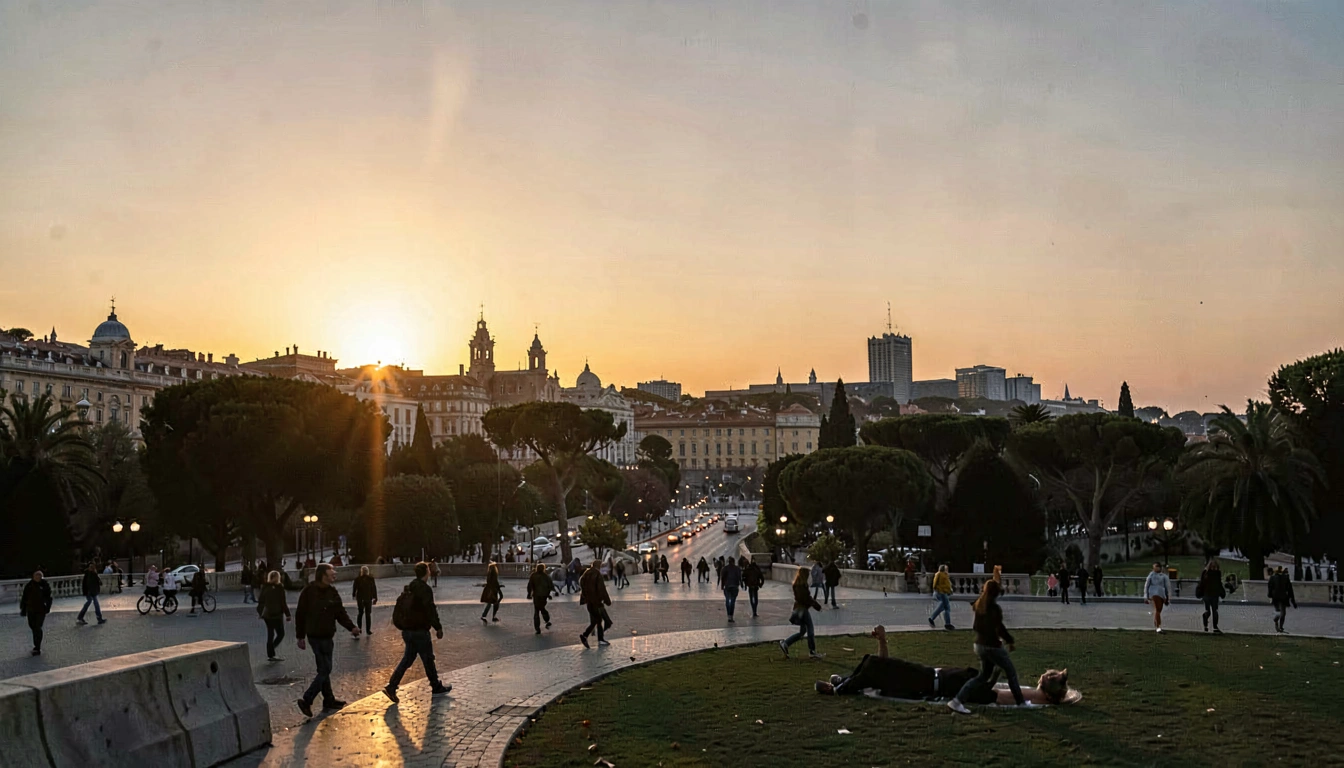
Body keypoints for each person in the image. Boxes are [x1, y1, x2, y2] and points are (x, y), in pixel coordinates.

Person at [946, 579, 1029, 713]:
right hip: (992, 646)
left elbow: (976, 626)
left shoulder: (979, 605)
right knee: (1011, 673)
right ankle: (1021, 703)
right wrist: (1009, 641)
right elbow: (999, 628)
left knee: (983, 676)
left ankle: (957, 701)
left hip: (979, 645)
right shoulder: (994, 608)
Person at [294, 563, 360, 717]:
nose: (335, 574)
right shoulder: (309, 591)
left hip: (327, 636)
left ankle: (329, 700)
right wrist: (300, 636)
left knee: (323, 670)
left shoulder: (332, 592)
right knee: (325, 669)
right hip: (314, 636)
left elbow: (340, 613)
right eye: (332, 571)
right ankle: (307, 700)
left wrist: (352, 627)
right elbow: (300, 614)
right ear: (323, 574)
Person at [383, 562, 452, 703]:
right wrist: (438, 627)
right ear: (427, 572)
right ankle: (436, 686)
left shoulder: (409, 587)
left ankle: (392, 686)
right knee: (428, 659)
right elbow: (430, 610)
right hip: (420, 630)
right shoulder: (425, 590)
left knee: (407, 659)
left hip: (407, 630)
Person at [780, 564, 824, 659]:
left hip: (799, 608)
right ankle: (812, 651)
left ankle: (786, 643)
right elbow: (806, 598)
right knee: (810, 629)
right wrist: (817, 606)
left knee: (802, 632)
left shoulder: (797, 585)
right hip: (802, 609)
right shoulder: (801, 586)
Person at [257, 570, 290, 661]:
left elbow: (260, 601)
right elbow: (283, 602)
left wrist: (260, 613)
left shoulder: (265, 587)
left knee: (270, 634)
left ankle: (270, 653)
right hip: (277, 614)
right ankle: (272, 650)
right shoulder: (280, 588)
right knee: (280, 634)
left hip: (267, 614)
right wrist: (288, 614)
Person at [578, 560, 611, 648]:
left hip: (589, 601)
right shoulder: (597, 574)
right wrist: (607, 600)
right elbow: (601, 589)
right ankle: (589, 636)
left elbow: (582, 585)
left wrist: (585, 597)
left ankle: (595, 638)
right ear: (599, 566)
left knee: (595, 620)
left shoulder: (586, 573)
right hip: (596, 601)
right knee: (598, 620)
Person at [20, 571, 53, 656]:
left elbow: (49, 597)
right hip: (31, 609)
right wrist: (23, 609)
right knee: (32, 626)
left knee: (38, 627)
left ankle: (37, 647)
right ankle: (36, 644)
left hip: (41, 609)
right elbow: (24, 597)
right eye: (36, 576)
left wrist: (48, 607)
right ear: (33, 577)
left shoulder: (45, 585)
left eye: (39, 576)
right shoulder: (29, 585)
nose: (37, 578)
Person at [1197, 559, 1226, 634]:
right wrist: (1222, 593)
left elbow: (1202, 584)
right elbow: (1219, 584)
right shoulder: (1217, 573)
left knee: (1208, 611)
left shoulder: (1205, 573)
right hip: (1214, 595)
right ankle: (1215, 627)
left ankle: (1206, 623)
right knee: (1215, 611)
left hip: (1207, 595)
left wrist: (1200, 593)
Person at [527, 563, 554, 635]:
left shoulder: (533, 575)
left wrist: (529, 594)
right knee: (542, 608)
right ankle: (547, 619)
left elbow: (530, 585)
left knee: (537, 611)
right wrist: (549, 595)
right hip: (543, 596)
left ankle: (537, 628)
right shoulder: (546, 577)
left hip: (536, 596)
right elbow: (551, 586)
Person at [1269, 566, 1297, 633]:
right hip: (1283, 597)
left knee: (1278, 612)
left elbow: (1270, 588)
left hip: (1276, 597)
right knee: (1283, 613)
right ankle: (1280, 626)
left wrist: (1270, 596)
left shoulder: (1272, 578)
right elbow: (1290, 590)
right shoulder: (1286, 578)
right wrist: (1293, 600)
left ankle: (1277, 621)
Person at [1143, 562, 1170, 633]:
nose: (1155, 569)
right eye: (1154, 567)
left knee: (1158, 610)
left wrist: (1167, 597)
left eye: (1157, 567)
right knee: (1157, 609)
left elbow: (1167, 587)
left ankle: (1157, 625)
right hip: (1154, 594)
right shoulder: (1151, 575)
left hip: (1162, 594)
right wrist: (1146, 596)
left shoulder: (1164, 576)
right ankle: (1158, 627)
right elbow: (1146, 585)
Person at [77, 561, 106, 626]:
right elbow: (90, 583)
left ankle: (80, 617)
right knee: (94, 604)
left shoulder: (90, 573)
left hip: (91, 592)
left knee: (90, 603)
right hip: (91, 592)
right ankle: (99, 618)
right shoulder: (91, 573)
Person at [352, 565, 377, 636]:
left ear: (361, 571)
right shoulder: (371, 579)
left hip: (360, 598)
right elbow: (374, 588)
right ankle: (368, 630)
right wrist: (375, 598)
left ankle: (359, 629)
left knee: (360, 613)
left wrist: (353, 595)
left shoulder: (357, 579)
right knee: (368, 614)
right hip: (368, 598)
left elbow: (355, 588)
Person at [929, 564, 954, 630]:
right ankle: (947, 624)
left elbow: (947, 584)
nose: (947, 570)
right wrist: (939, 590)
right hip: (942, 593)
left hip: (944, 592)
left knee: (943, 607)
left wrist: (949, 590)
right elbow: (935, 584)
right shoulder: (940, 574)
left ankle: (932, 618)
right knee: (946, 608)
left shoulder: (944, 575)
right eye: (946, 569)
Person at [721, 556, 742, 622]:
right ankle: (731, 616)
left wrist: (722, 586)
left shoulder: (725, 568)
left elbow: (722, 577)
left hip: (727, 586)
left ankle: (728, 616)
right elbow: (739, 577)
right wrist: (741, 584)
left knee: (727, 600)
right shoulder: (737, 568)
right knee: (733, 601)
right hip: (735, 586)